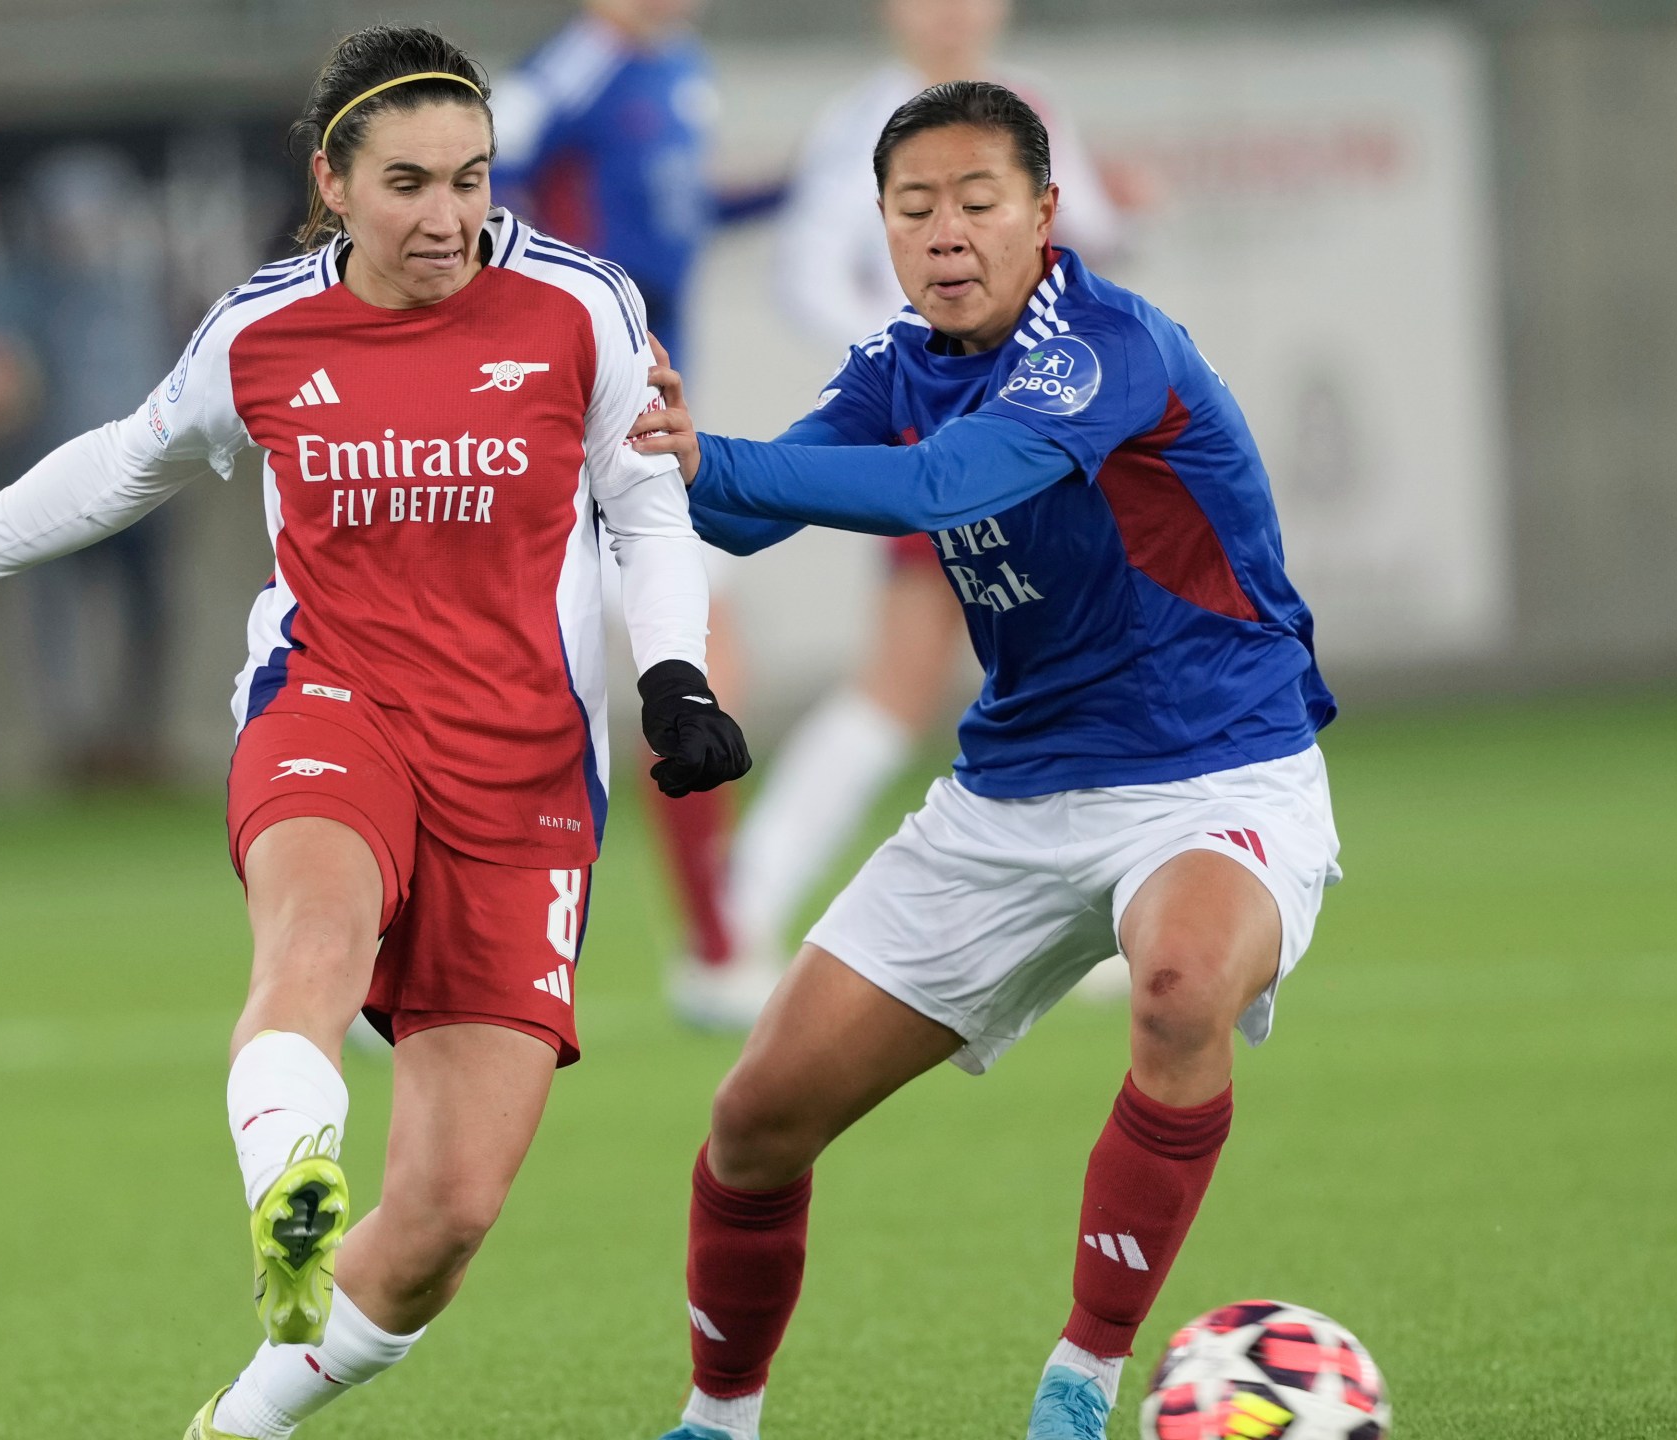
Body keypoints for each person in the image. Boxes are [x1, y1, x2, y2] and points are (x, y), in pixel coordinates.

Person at [0, 26, 750, 1440]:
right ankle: (292, 1182)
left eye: (471, 180)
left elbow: (647, 509)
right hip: (330, 706)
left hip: (525, 768)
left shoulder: (584, 308)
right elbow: (124, 462)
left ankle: (240, 1420)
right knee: (312, 944)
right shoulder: (267, 327)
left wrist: (675, 679)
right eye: (407, 182)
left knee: (446, 1223)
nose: (447, 216)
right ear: (332, 183)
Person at [626, 81, 1340, 1440]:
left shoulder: (1104, 346)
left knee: (1179, 985)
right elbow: (751, 509)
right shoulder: (899, 365)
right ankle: (717, 1422)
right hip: (1011, 797)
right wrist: (642, 443)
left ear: (1044, 216)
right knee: (756, 1119)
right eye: (915, 209)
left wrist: (712, 457)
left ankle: (1081, 1381)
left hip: (1214, 772)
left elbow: (941, 489)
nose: (947, 233)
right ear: (884, 231)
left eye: (978, 202)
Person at [727, 0, 1136, 985]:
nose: (951, 14)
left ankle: (1100, 914)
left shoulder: (1031, 110)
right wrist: (927, 349)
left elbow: (1093, 243)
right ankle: (743, 903)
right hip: (955, 434)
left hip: (1046, 427)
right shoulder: (863, 123)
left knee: (1068, 660)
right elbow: (808, 272)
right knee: (910, 675)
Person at [489, 0, 780, 1029]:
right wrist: (549, 325)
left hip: (647, 402)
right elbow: (484, 176)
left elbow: (674, 213)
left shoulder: (670, 66)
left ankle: (713, 947)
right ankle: (710, 953)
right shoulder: (578, 64)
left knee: (694, 665)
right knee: (542, 686)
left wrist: (790, 192)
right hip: (572, 411)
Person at [0, 145, 179, 787]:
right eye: (71, 224)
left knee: (147, 612)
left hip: (144, 493)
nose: (86, 239)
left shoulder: (137, 294)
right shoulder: (7, 295)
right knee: (58, 618)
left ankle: (138, 740)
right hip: (55, 490)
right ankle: (73, 746)